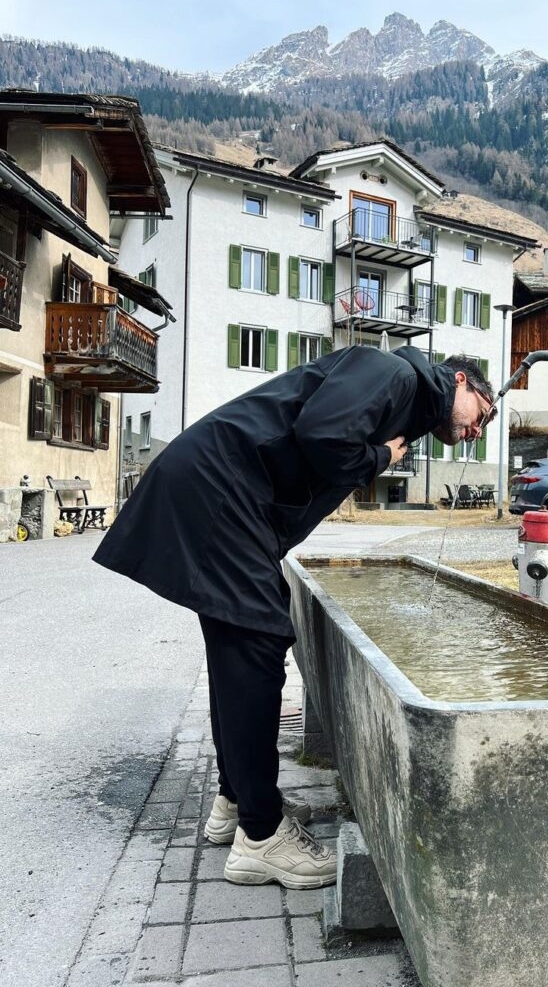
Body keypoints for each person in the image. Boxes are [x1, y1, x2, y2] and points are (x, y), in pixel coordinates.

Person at [93, 345, 494, 889]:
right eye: (483, 414)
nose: (477, 432)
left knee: (239, 657)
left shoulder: (405, 401)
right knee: (258, 646)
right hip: (223, 492)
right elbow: (323, 437)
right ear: (463, 381)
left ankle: (238, 804)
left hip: (230, 497)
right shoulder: (394, 374)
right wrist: (380, 459)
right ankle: (261, 839)